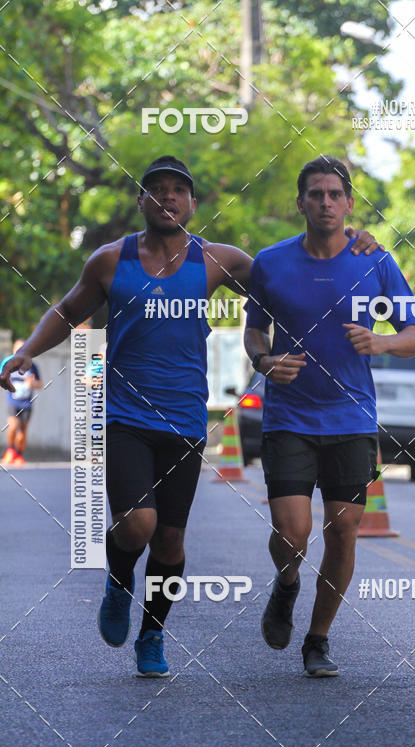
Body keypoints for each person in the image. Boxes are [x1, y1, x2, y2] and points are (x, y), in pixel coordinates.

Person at [0, 155, 382, 677]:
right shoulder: (111, 260)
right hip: (125, 416)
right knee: (137, 524)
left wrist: (352, 239)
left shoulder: (216, 261)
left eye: (177, 190)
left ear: (193, 204)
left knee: (170, 540)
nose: (167, 197)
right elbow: (68, 311)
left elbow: (293, 272)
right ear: (141, 200)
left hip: (184, 421)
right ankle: (118, 580)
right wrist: (26, 351)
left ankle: (152, 634)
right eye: (156, 188)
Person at [244, 155, 415, 677]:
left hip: (351, 418)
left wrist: (382, 341)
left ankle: (318, 640)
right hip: (288, 417)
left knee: (344, 529)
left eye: (334, 195)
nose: (325, 202)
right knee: (292, 532)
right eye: (316, 194)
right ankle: (286, 584)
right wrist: (263, 360)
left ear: (348, 203)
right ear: (300, 203)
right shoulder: (270, 262)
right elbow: (254, 330)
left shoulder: (374, 260)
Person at [1, 339, 43, 467]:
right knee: (13, 426)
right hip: (13, 401)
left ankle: (19, 454)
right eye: (17, 349)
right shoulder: (8, 363)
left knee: (23, 431)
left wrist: (32, 384)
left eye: (22, 349)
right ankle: (10, 450)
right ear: (13, 350)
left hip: (26, 403)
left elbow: (40, 383)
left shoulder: (32, 365)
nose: (19, 351)